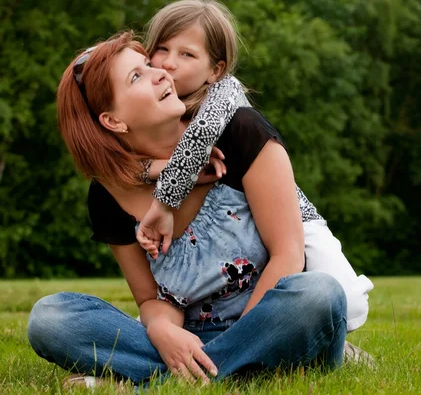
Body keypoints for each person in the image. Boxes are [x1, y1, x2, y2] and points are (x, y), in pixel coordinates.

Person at [27, 32, 347, 387]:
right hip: (190, 339)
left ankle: (155, 383)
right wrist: (163, 331)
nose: (161, 73)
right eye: (137, 76)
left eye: (148, 64)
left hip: (274, 323)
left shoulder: (240, 131)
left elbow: (288, 256)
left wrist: (248, 338)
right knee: (50, 318)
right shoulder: (108, 196)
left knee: (320, 295)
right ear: (113, 121)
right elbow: (150, 299)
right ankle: (233, 375)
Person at [136, 0, 374, 333]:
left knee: (345, 301)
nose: (169, 63)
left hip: (290, 216)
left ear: (215, 69)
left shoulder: (223, 94)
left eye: (187, 54)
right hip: (230, 234)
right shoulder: (155, 109)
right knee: (181, 313)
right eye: (162, 49)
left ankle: (327, 342)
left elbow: (199, 139)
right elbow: (116, 161)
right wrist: (148, 168)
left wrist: (162, 201)